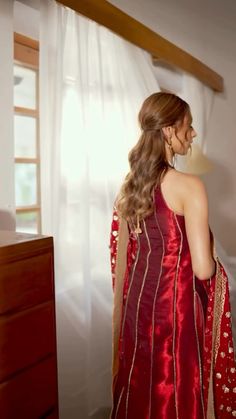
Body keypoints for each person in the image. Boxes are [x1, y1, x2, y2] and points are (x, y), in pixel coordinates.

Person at [109, 92, 236, 419]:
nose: (193, 134)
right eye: (188, 126)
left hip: (138, 304)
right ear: (168, 131)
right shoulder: (189, 186)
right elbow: (204, 270)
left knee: (142, 384)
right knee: (175, 391)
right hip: (175, 311)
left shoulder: (132, 184)